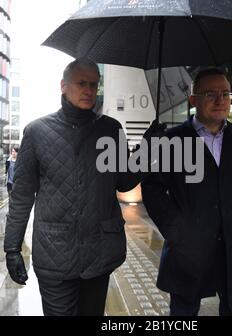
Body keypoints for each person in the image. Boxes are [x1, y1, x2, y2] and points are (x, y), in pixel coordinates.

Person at [4, 57, 155, 316]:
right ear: (63, 85)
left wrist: (148, 148)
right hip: (54, 253)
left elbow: (124, 181)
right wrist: (11, 247)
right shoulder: (37, 131)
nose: (89, 90)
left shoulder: (110, 129)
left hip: (99, 253)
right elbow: (22, 196)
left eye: (94, 85)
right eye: (82, 83)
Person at [141, 68, 232, 316]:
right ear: (193, 100)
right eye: (211, 93)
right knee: (183, 314)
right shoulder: (172, 141)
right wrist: (176, 231)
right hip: (189, 252)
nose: (220, 100)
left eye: (225, 93)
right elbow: (152, 188)